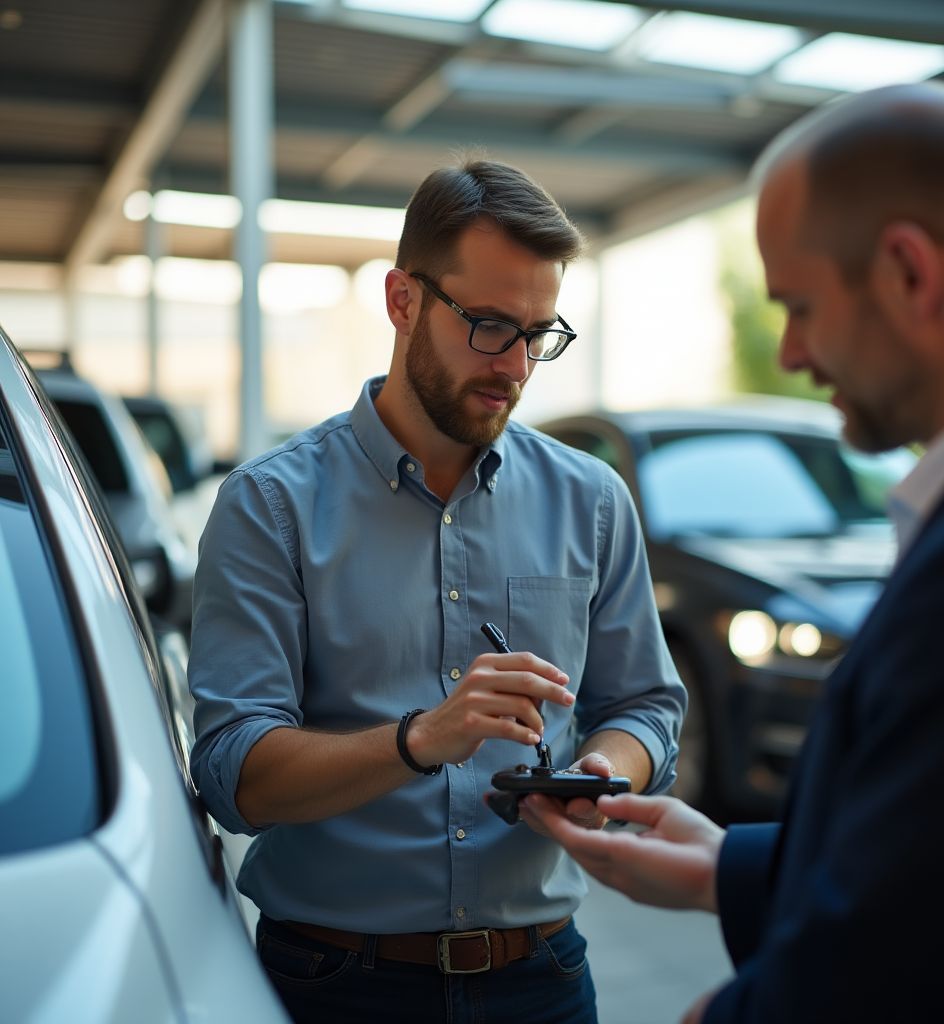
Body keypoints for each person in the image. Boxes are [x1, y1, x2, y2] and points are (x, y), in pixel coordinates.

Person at [521, 81, 944, 1023]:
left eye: (798, 304)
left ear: (909, 274)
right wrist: (729, 865)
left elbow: (907, 958)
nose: (790, 352)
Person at [188, 158, 686, 1024]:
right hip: (335, 985)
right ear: (403, 301)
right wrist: (422, 738)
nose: (517, 367)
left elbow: (646, 706)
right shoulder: (270, 505)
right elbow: (236, 774)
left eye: (538, 334)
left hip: (543, 980)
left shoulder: (594, 501)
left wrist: (603, 772)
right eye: (490, 326)